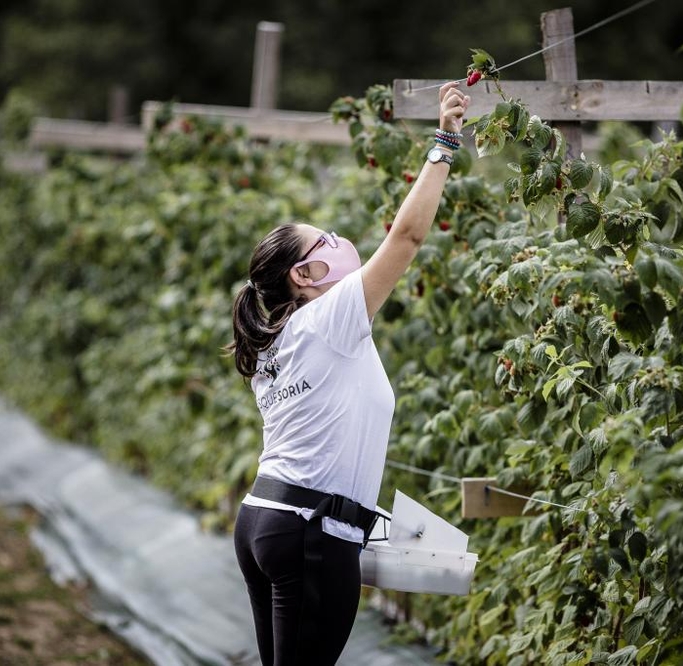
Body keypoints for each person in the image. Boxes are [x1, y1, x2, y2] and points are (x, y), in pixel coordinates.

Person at [228, 81, 470, 665]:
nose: (339, 241)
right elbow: (408, 238)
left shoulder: (273, 345)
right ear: (304, 275)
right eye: (325, 241)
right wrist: (444, 141)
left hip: (265, 520)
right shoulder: (327, 318)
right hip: (311, 531)